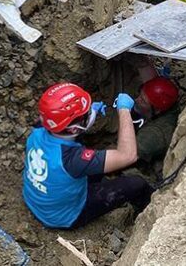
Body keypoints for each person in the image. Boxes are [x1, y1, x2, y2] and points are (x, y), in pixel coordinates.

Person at [22, 83, 152, 229]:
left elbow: (69, 131)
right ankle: (151, 216)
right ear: (73, 129)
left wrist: (88, 115)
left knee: (97, 162)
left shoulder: (39, 129)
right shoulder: (73, 159)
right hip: (64, 216)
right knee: (137, 184)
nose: (91, 112)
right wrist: (124, 110)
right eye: (87, 113)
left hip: (37, 199)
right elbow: (128, 156)